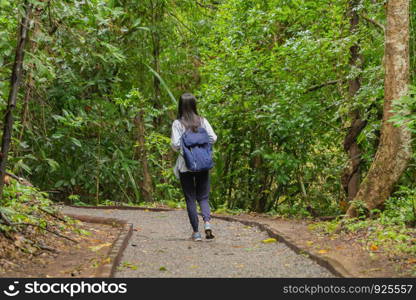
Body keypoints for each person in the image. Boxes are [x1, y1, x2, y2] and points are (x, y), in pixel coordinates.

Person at [171, 93, 217, 241]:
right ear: (194, 105)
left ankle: (196, 233)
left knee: (190, 198)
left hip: (186, 166)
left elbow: (176, 145)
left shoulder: (177, 124)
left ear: (181, 106)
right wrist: (202, 147)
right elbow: (213, 138)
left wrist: (187, 148)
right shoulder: (202, 121)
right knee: (203, 197)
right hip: (203, 164)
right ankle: (208, 224)